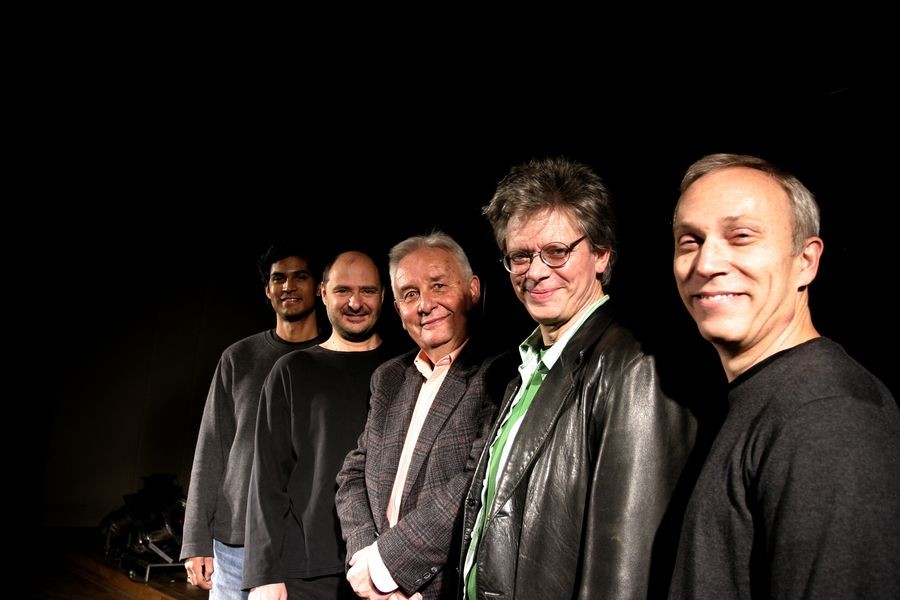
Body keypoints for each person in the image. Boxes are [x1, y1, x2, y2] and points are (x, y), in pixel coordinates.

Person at [461, 156, 697, 600]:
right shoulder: (525, 365)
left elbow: (625, 571)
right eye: (520, 256)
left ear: (602, 254)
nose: (535, 272)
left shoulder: (633, 368)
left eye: (557, 251)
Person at [669, 153, 899, 599]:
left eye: (741, 236)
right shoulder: (763, 397)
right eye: (690, 241)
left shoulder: (827, 413)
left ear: (805, 261)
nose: (706, 263)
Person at [335, 232, 513, 600]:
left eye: (439, 286)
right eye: (410, 294)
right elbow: (353, 474)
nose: (425, 304)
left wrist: (387, 566)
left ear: (472, 290)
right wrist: (365, 562)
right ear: (398, 309)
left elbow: (477, 482)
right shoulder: (388, 378)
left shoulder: (502, 374)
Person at [242, 251, 396, 600]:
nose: (355, 303)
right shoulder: (292, 370)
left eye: (367, 291)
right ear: (323, 293)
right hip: (306, 569)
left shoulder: (405, 369)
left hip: (385, 567)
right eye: (343, 291)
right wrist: (264, 574)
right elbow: (267, 480)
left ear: (384, 296)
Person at [182, 243, 322, 599]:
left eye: (300, 276)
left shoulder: (334, 359)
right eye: (279, 278)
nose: (288, 286)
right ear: (267, 290)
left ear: (320, 288)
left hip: (302, 547)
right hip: (234, 542)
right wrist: (196, 540)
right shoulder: (238, 357)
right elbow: (210, 449)